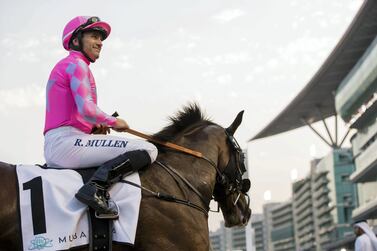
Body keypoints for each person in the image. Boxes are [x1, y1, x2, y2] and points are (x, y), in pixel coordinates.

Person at [44, 16, 158, 219]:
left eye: (101, 39)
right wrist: (114, 122)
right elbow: (87, 109)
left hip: (65, 140)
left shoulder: (72, 65)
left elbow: (76, 113)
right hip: (66, 142)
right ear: (76, 40)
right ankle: (95, 188)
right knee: (148, 149)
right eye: (94, 36)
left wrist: (92, 128)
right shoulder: (76, 65)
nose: (100, 43)